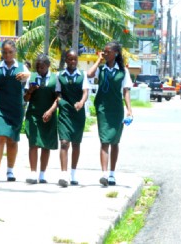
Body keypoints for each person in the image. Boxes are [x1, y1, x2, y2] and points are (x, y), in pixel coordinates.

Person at [0, 40, 30, 182]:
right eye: (4, 52)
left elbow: (31, 83)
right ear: (1, 53)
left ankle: (10, 171)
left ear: (15, 52)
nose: (7, 55)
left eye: (10, 52)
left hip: (15, 108)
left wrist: (27, 76)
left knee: (12, 139)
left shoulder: (22, 68)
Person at [87, 41, 133, 186]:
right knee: (104, 140)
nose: (105, 54)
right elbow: (89, 74)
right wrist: (98, 60)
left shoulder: (123, 71)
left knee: (114, 141)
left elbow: (126, 91)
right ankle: (104, 174)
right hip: (102, 108)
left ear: (116, 53)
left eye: (108, 52)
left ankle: (112, 173)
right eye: (104, 51)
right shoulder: (101, 69)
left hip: (116, 109)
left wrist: (129, 110)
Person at [56, 49, 89, 187]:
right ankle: (64, 174)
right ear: (66, 60)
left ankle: (73, 173)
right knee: (64, 142)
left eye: (75, 59)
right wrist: (60, 102)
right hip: (64, 112)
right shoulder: (59, 75)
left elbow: (85, 92)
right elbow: (58, 93)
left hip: (78, 113)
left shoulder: (83, 75)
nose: (72, 62)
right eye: (70, 59)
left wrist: (81, 103)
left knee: (76, 143)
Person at [24, 54, 58, 184]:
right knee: (33, 143)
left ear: (48, 66)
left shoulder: (55, 79)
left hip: (48, 115)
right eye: (37, 67)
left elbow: (58, 98)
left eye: (42, 67)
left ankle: (42, 174)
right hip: (33, 114)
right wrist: (30, 91)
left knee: (46, 144)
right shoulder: (31, 78)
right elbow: (25, 99)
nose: (39, 69)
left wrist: (50, 111)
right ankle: (33, 173)